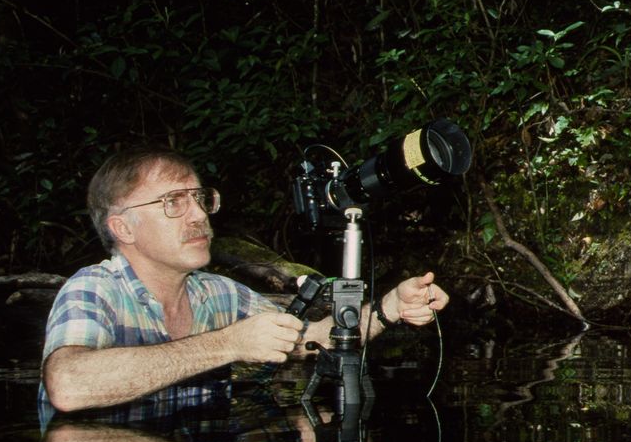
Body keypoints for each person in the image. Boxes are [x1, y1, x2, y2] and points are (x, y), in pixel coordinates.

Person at [42, 145, 448, 413]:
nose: (199, 214)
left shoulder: (218, 293)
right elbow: (68, 385)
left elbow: (313, 340)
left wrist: (389, 308)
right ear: (123, 229)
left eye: (200, 198)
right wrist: (229, 344)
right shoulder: (93, 289)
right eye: (173, 202)